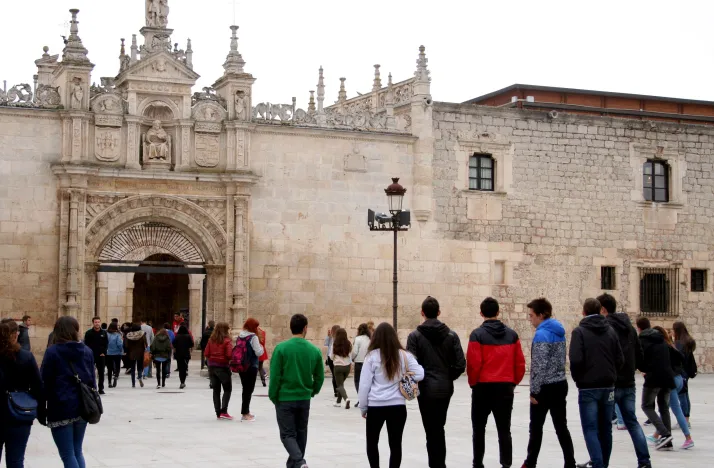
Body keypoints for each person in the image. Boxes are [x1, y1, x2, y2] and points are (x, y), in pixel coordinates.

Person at [574, 294, 652, 468]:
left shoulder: (605, 328)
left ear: (603, 309)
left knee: (599, 426)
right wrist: (632, 369)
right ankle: (644, 460)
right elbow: (638, 354)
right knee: (631, 422)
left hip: (610, 382)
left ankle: (599, 461)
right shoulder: (629, 328)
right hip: (628, 382)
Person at [406, 296, 466, 468]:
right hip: (444, 388)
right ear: (439, 312)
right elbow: (460, 364)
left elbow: (410, 365)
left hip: (425, 389)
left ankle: (436, 464)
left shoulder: (414, 336)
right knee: (439, 427)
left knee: (431, 430)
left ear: (422, 313)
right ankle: (439, 464)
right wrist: (448, 376)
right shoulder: (451, 335)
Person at [467, 297, 526, 468]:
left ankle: (478, 463)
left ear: (481, 313)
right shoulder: (512, 335)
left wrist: (473, 383)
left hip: (482, 387)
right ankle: (506, 464)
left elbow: (473, 364)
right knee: (504, 429)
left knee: (479, 429)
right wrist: (513, 382)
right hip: (505, 387)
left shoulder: (477, 335)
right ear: (498, 312)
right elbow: (520, 364)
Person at [359, 322, 424, 468]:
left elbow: (364, 385)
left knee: (372, 442)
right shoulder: (404, 355)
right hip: (397, 406)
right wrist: (405, 377)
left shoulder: (371, 357)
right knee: (395, 444)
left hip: (376, 405)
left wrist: (363, 407)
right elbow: (420, 373)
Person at [521, 298, 576, 468]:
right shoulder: (559, 331)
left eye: (532, 315)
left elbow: (539, 365)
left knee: (536, 428)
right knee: (561, 426)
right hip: (560, 383)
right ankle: (570, 462)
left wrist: (534, 391)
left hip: (544, 387)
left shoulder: (541, 334)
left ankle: (530, 462)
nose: (530, 319)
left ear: (541, 315)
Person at [569, 298, 623, 468]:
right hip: (608, 385)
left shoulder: (579, 332)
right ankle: (603, 464)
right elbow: (620, 359)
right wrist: (612, 374)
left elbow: (575, 360)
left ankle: (598, 464)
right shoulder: (611, 331)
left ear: (583, 312)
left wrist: (579, 379)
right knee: (606, 428)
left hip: (588, 386)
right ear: (600, 311)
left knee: (590, 428)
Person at [269, 314, 324, 468]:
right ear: (305, 328)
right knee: (301, 433)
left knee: (287, 434)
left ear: (290, 327)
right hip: (304, 398)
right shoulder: (314, 350)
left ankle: (300, 462)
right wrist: (312, 391)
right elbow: (319, 377)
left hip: (285, 398)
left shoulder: (281, 349)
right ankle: (295, 464)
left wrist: (273, 395)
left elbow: (275, 376)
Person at [41, 316, 95, 468]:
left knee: (67, 455)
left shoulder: (52, 352)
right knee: (77, 451)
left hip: (61, 407)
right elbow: (92, 380)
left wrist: (41, 408)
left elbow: (44, 381)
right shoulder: (87, 351)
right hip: (83, 406)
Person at [0, 320, 45, 467]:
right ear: (15, 335)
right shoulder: (26, 356)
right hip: (19, 413)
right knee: (16, 460)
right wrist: (41, 413)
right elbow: (38, 387)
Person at [646, 326, 695, 450]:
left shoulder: (662, 347)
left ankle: (688, 438)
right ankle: (656, 435)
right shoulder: (671, 345)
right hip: (678, 378)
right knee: (665, 408)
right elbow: (682, 359)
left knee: (675, 409)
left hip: (671, 380)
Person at [636, 317, 675, 451]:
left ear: (639, 328)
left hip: (654, 377)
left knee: (646, 405)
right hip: (667, 377)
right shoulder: (661, 338)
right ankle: (667, 442)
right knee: (664, 407)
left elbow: (639, 360)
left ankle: (665, 434)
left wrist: (644, 369)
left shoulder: (642, 340)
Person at [204, 322, 234, 420]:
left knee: (216, 390)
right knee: (227, 389)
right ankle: (224, 411)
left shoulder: (211, 340)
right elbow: (229, 355)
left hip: (212, 367)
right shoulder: (227, 341)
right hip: (223, 367)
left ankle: (218, 412)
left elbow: (206, 353)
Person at [237, 318, 265, 421]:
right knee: (249, 390)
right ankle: (245, 413)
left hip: (241, 365)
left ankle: (246, 411)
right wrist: (262, 347)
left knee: (245, 389)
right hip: (251, 366)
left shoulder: (240, 335)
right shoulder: (253, 337)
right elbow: (258, 352)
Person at [672, 321, 696, 426]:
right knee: (684, 395)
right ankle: (686, 418)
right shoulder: (687, 341)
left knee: (682, 396)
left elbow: (678, 358)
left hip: (681, 372)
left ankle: (685, 420)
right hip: (686, 371)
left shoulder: (679, 343)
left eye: (673, 329)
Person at [83, 316, 108, 395]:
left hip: (101, 355)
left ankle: (101, 388)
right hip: (91, 355)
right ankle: (91, 388)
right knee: (90, 372)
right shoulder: (88, 333)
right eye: (95, 322)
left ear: (100, 322)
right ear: (93, 323)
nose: (97, 324)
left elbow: (106, 343)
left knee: (101, 372)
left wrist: (104, 352)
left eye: (98, 322)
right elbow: (86, 344)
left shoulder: (104, 333)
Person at [331, 327, 353, 409]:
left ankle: (346, 399)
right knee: (341, 385)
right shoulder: (349, 344)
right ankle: (338, 402)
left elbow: (331, 356)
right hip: (347, 367)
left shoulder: (335, 343)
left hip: (338, 367)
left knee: (339, 385)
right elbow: (351, 355)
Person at [352, 323, 371, 403]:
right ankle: (366, 398)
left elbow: (355, 351)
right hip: (368, 362)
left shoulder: (357, 339)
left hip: (359, 362)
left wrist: (352, 358)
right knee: (366, 382)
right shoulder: (370, 339)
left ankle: (361, 399)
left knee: (357, 381)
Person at [172, 325, 194, 389]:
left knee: (180, 369)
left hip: (179, 355)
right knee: (184, 368)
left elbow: (173, 344)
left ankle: (181, 382)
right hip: (186, 354)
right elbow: (192, 344)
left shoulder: (177, 336)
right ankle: (183, 381)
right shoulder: (188, 336)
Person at [125, 323, 146, 388]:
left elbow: (126, 345)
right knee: (140, 367)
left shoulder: (129, 335)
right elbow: (145, 344)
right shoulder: (142, 334)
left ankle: (133, 383)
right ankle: (139, 377)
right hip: (140, 352)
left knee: (132, 368)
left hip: (131, 353)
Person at [105, 322, 123, 389]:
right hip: (117, 353)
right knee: (117, 366)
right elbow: (119, 344)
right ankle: (116, 376)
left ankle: (109, 382)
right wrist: (121, 350)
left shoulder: (106, 334)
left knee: (109, 368)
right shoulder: (118, 335)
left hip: (108, 353)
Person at [324, 324, 340, 397]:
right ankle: (336, 391)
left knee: (336, 374)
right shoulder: (331, 338)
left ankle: (337, 390)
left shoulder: (340, 338)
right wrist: (328, 336)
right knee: (334, 374)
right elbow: (326, 344)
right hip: (330, 358)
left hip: (336, 357)